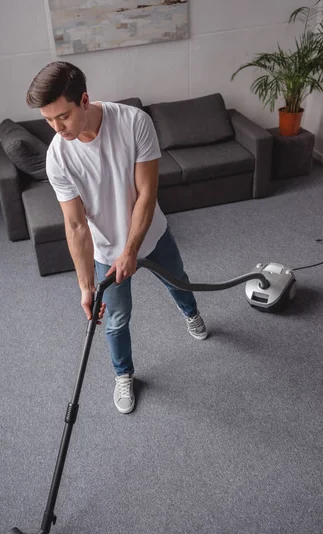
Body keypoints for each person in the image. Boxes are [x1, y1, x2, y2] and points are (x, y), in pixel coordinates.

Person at [26, 61, 208, 414]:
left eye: (61, 116)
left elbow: (147, 194)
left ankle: (192, 314)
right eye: (48, 120)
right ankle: (123, 374)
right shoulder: (57, 158)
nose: (56, 127)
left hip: (151, 234)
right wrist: (85, 285)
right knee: (116, 318)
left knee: (180, 283)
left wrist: (132, 250)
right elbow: (76, 226)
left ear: (84, 100)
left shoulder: (133, 122)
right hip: (107, 250)